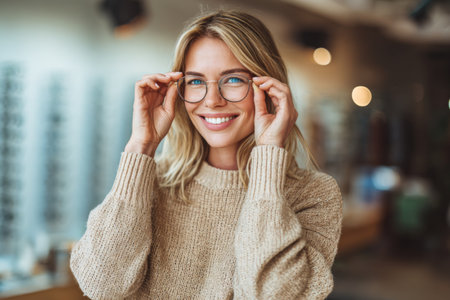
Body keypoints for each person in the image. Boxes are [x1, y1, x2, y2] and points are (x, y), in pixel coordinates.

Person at [70, 10, 343, 300]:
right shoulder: (153, 181)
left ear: (270, 88)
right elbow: (101, 285)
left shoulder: (313, 195)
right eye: (196, 82)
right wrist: (141, 146)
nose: (212, 101)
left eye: (234, 80)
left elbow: (272, 295)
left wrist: (267, 160)